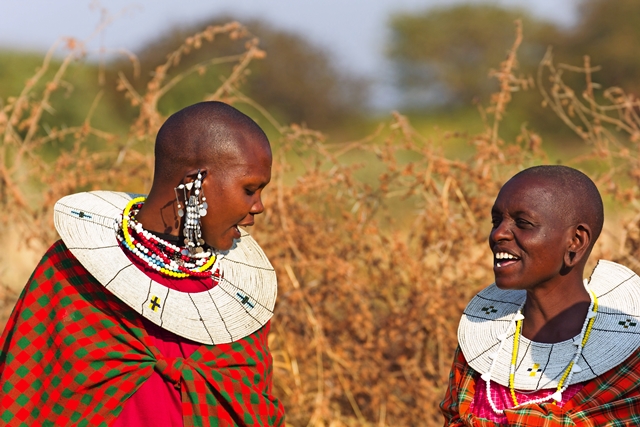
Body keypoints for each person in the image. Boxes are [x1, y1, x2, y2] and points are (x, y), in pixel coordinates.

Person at [0, 101, 286, 426]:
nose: (259, 206)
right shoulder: (73, 274)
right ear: (195, 184)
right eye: (250, 190)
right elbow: (24, 398)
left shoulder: (240, 303)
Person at [440, 165, 640, 426]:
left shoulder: (630, 360)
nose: (498, 233)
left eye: (523, 224)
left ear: (575, 242)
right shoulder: (484, 346)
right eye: (496, 221)